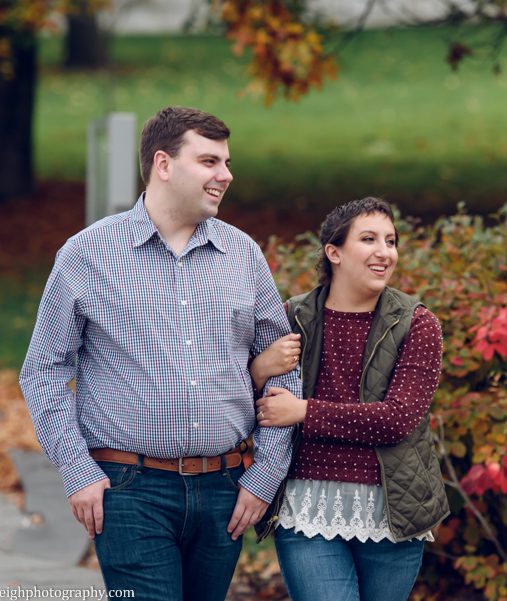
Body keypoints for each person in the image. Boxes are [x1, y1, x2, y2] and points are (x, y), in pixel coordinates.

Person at [19, 106, 300, 601]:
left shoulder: (243, 255)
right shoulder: (87, 255)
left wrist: (264, 477)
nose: (226, 175)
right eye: (210, 161)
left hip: (225, 490)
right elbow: (43, 370)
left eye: (227, 162)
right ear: (164, 164)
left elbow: (285, 368)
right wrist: (77, 471)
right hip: (128, 489)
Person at [249, 197, 450, 601]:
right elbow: (260, 407)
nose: (385, 252)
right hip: (307, 507)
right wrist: (258, 371)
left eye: (391, 241)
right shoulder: (294, 316)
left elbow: (397, 419)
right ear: (334, 252)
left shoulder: (417, 323)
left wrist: (304, 411)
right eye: (369, 239)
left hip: (391, 510)